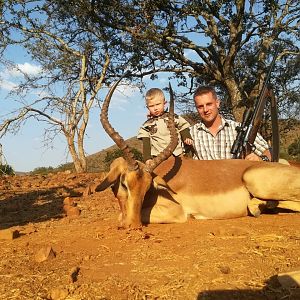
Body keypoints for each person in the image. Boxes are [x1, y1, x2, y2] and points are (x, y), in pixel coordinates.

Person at [188, 86, 272, 161]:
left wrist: (261, 159)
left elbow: (269, 151)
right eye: (200, 106)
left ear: (217, 103)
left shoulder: (240, 129)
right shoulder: (191, 133)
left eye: (209, 104)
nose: (205, 110)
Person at [137, 88, 193, 164]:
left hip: (178, 155)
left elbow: (183, 126)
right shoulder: (147, 125)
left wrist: (187, 137)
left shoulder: (173, 117)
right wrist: (147, 158)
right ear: (147, 107)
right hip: (159, 159)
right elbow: (146, 143)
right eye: (151, 106)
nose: (155, 108)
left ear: (164, 103)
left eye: (158, 104)